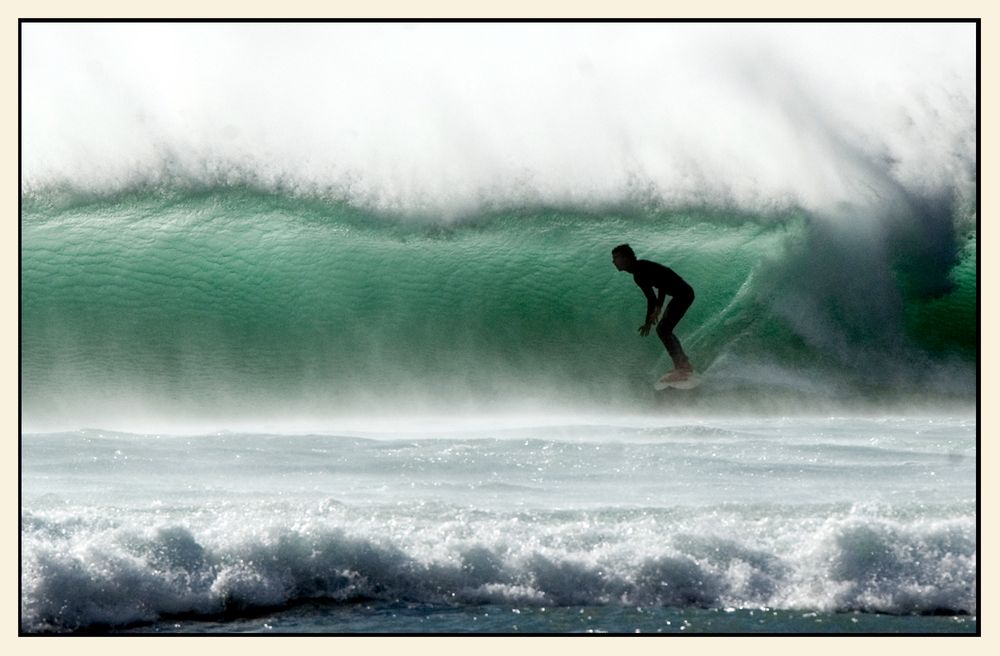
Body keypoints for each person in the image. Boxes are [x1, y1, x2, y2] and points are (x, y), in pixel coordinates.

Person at [612, 244, 695, 382]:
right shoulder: (637, 275)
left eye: (616, 258)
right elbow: (651, 298)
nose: (613, 261)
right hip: (680, 294)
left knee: (663, 330)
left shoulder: (642, 267)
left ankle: (683, 368)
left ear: (625, 258)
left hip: (684, 293)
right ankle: (683, 365)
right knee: (664, 329)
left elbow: (662, 282)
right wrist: (647, 322)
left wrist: (659, 307)